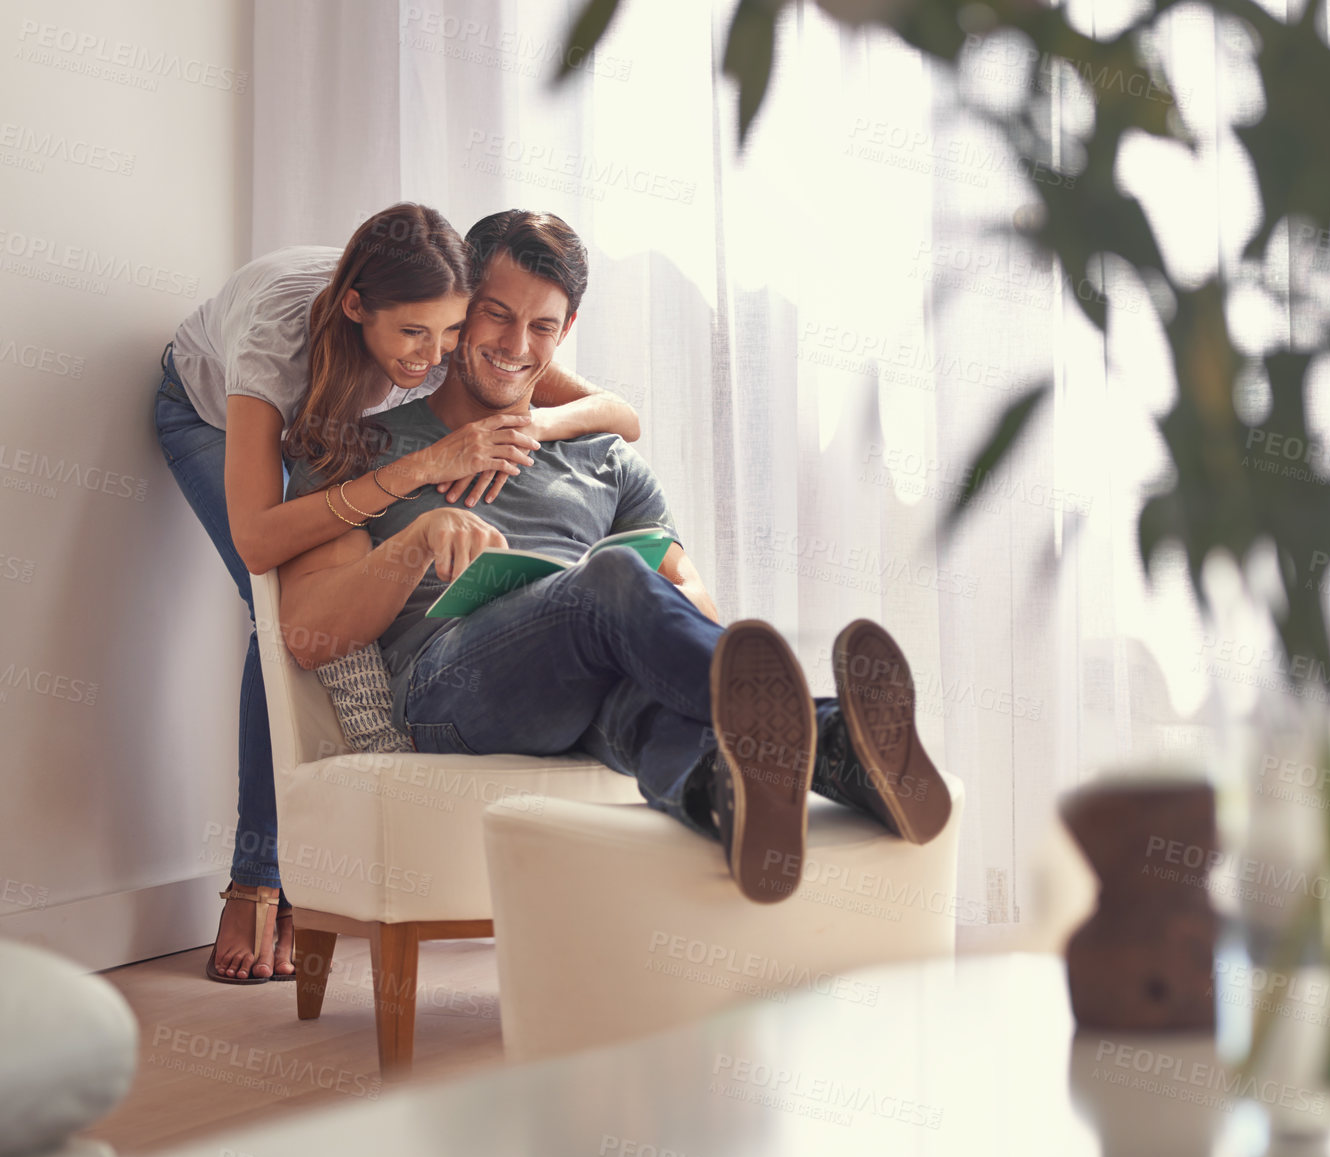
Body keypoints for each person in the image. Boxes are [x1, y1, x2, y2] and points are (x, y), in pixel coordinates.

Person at [276, 211, 951, 902]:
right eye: (496, 316)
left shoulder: (605, 458)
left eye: (542, 326)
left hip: (582, 688)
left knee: (638, 704)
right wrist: (416, 542)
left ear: (566, 331)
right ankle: (832, 732)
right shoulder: (361, 450)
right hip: (446, 692)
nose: (515, 344)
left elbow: (693, 602)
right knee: (613, 574)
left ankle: (733, 801)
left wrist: (637, 610)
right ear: (459, 312)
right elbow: (309, 629)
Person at [155, 203, 642, 982]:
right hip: (210, 415)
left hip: (349, 419)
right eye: (419, 337)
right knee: (275, 606)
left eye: (449, 335)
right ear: (358, 310)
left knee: (343, 566)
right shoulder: (277, 345)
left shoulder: (444, 319)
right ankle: (259, 878)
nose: (437, 357)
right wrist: (411, 475)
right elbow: (257, 539)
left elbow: (620, 414)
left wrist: (528, 428)